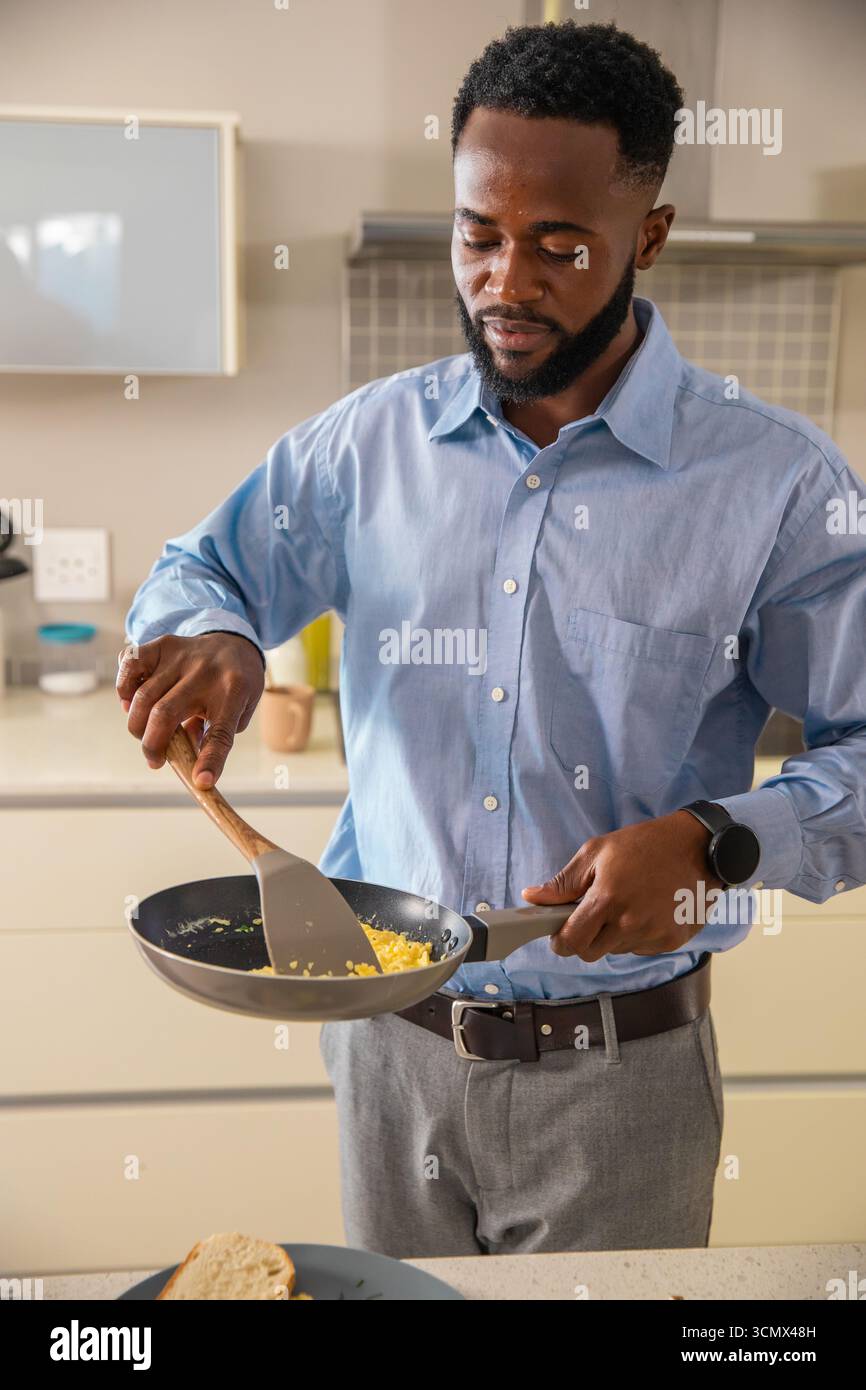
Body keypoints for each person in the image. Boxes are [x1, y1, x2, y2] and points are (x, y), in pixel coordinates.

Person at [119, 21, 866, 1257]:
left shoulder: (777, 488)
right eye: (478, 235)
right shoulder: (366, 447)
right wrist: (217, 631)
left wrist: (715, 840)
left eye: (559, 246)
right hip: (385, 1057)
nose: (505, 283)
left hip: (618, 1084)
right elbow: (200, 569)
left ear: (649, 238)